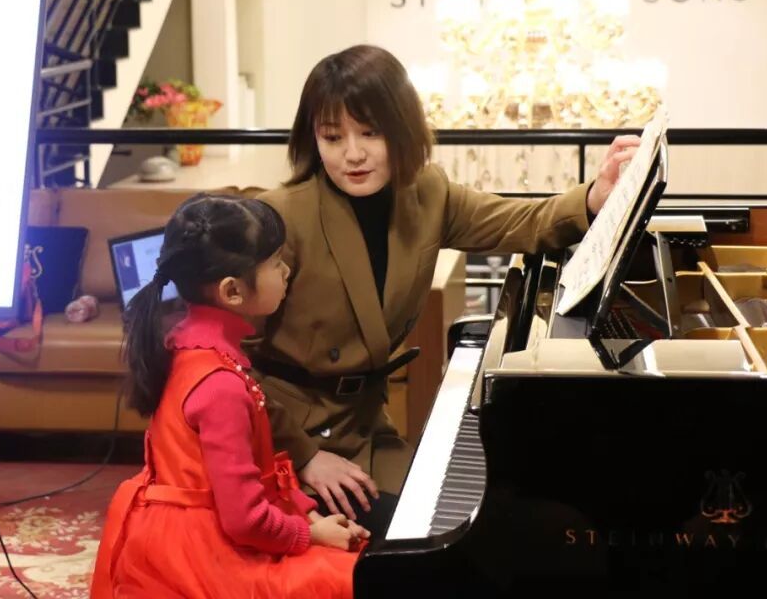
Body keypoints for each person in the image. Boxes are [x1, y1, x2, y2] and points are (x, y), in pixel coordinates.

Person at [252, 44, 641, 535]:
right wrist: (305, 456)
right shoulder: (281, 216)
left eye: (370, 132)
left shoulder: (427, 193)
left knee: (500, 518)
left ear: (401, 128)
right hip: (285, 440)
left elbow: (518, 222)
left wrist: (594, 197)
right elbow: (226, 362)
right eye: (333, 137)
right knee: (451, 540)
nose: (352, 153)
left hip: (365, 426)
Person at [91, 194, 369, 599]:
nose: (286, 271)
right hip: (205, 555)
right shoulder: (220, 386)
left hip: (190, 534)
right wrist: (310, 534)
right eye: (275, 263)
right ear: (233, 291)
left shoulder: (186, 343)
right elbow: (244, 520)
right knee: (352, 579)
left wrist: (311, 520)